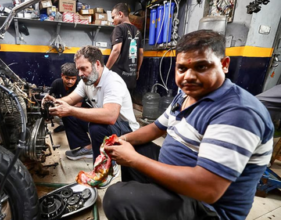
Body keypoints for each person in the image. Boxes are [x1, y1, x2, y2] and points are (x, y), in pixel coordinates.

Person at [103, 30, 274, 220]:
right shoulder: (186, 94)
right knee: (129, 146)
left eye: (201, 67)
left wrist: (133, 159)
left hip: (208, 207)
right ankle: (148, 206)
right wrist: (121, 140)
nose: (188, 77)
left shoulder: (238, 112)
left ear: (224, 65)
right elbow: (155, 128)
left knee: (117, 198)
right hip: (182, 181)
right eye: (182, 68)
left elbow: (208, 189)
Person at [43, 46, 139, 171]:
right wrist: (55, 102)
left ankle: (105, 169)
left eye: (83, 68)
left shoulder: (112, 81)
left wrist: (70, 109)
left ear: (97, 64)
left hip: (126, 129)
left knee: (96, 127)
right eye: (78, 69)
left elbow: (110, 116)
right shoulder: (87, 80)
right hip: (109, 124)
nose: (80, 74)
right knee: (68, 113)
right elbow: (71, 99)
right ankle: (87, 148)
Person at [106, 3, 144, 90]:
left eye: (113, 17)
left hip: (118, 78)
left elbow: (116, 50)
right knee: (126, 102)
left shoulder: (119, 28)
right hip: (131, 77)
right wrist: (137, 70)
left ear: (120, 14)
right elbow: (141, 53)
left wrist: (106, 70)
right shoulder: (138, 31)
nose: (113, 20)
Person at [49, 62, 86, 134]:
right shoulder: (56, 83)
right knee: (54, 113)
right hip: (63, 111)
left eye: (73, 79)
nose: (70, 81)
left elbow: (79, 105)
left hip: (77, 113)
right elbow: (51, 100)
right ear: (62, 75)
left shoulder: (80, 84)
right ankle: (64, 125)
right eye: (67, 78)